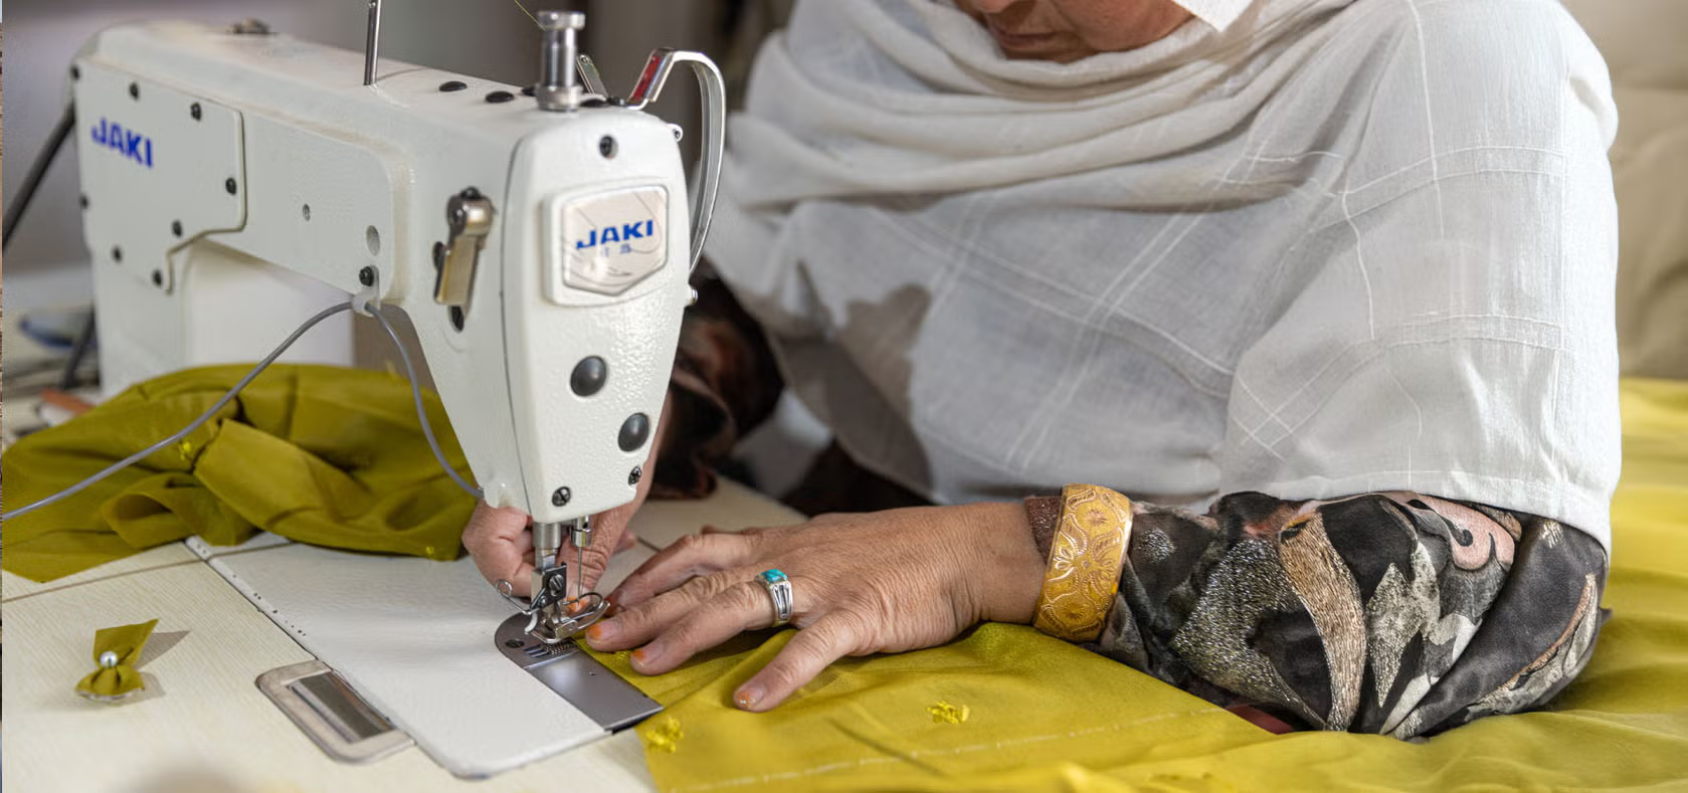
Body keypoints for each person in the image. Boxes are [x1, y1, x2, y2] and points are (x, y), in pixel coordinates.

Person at [465, 0, 1618, 738]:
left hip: (1193, 641)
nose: (983, 7)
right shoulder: (895, 16)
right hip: (853, 528)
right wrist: (637, 408)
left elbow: (1498, 605)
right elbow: (788, 276)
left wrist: (982, 553)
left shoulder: (1448, 56)